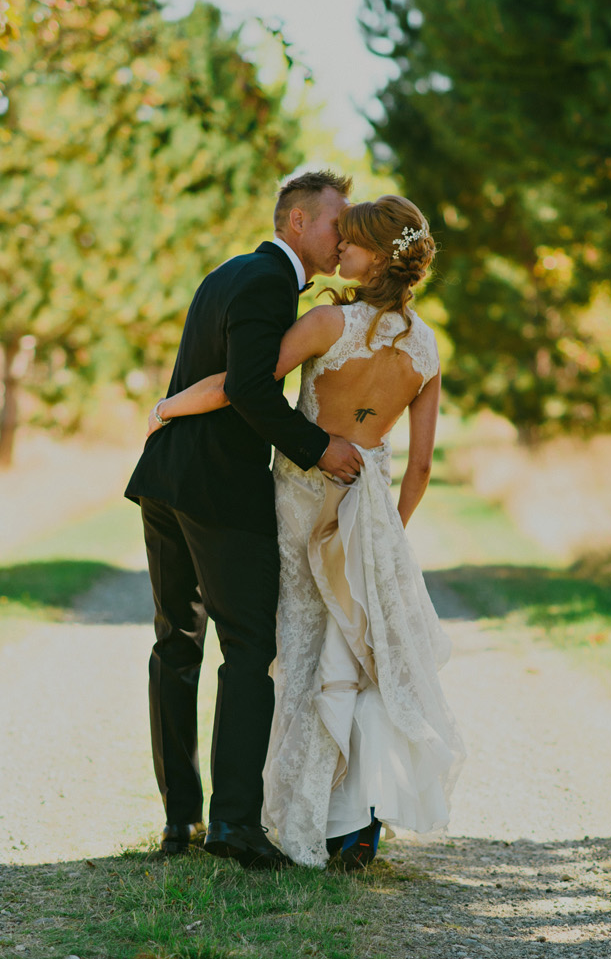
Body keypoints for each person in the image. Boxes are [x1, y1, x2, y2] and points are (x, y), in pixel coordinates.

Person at [148, 194, 464, 869]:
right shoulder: (426, 345)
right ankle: (354, 823)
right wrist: (387, 535)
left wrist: (167, 405)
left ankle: (286, 815)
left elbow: (244, 384)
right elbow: (424, 462)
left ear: (375, 257)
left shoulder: (326, 322)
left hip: (300, 500)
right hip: (368, 506)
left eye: (351, 241)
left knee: (293, 654)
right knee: (356, 656)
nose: (339, 248)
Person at [125, 170, 365, 870]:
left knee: (176, 644)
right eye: (334, 223)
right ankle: (232, 822)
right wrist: (320, 449)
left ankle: (179, 821)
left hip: (167, 476)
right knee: (251, 646)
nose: (342, 235)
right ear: (296, 222)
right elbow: (249, 388)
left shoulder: (230, 272)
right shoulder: (266, 283)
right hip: (218, 490)